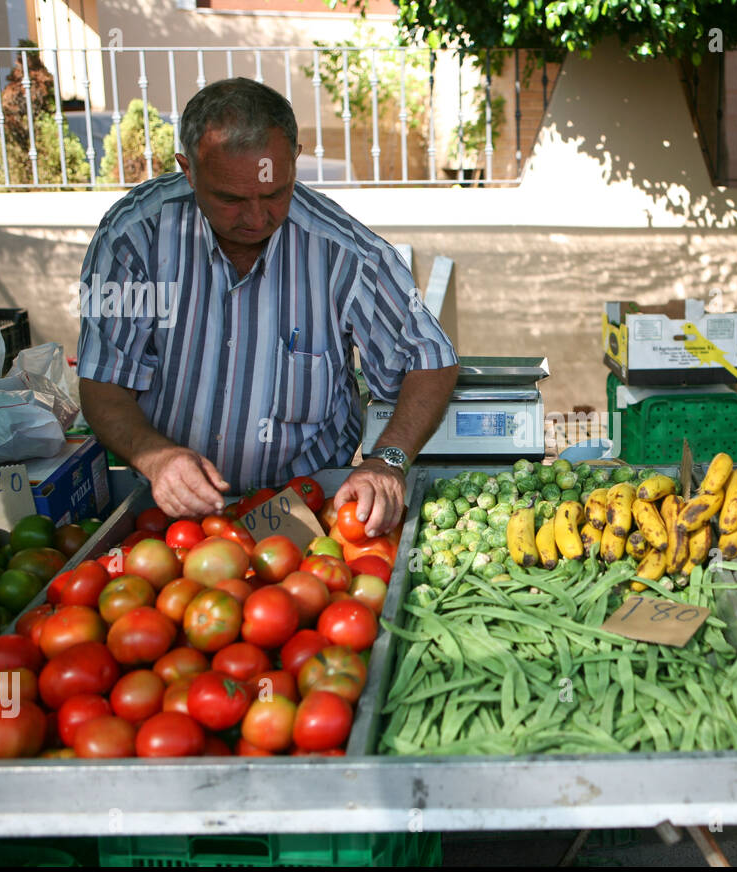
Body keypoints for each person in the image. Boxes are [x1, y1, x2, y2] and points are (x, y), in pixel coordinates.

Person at [76, 78, 458, 537]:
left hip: (306, 509)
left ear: (295, 159)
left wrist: (389, 459)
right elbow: (104, 383)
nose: (257, 218)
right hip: (170, 516)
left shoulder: (344, 251)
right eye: (232, 199)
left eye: (275, 192)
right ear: (188, 170)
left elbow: (429, 359)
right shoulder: (133, 238)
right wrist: (156, 457)